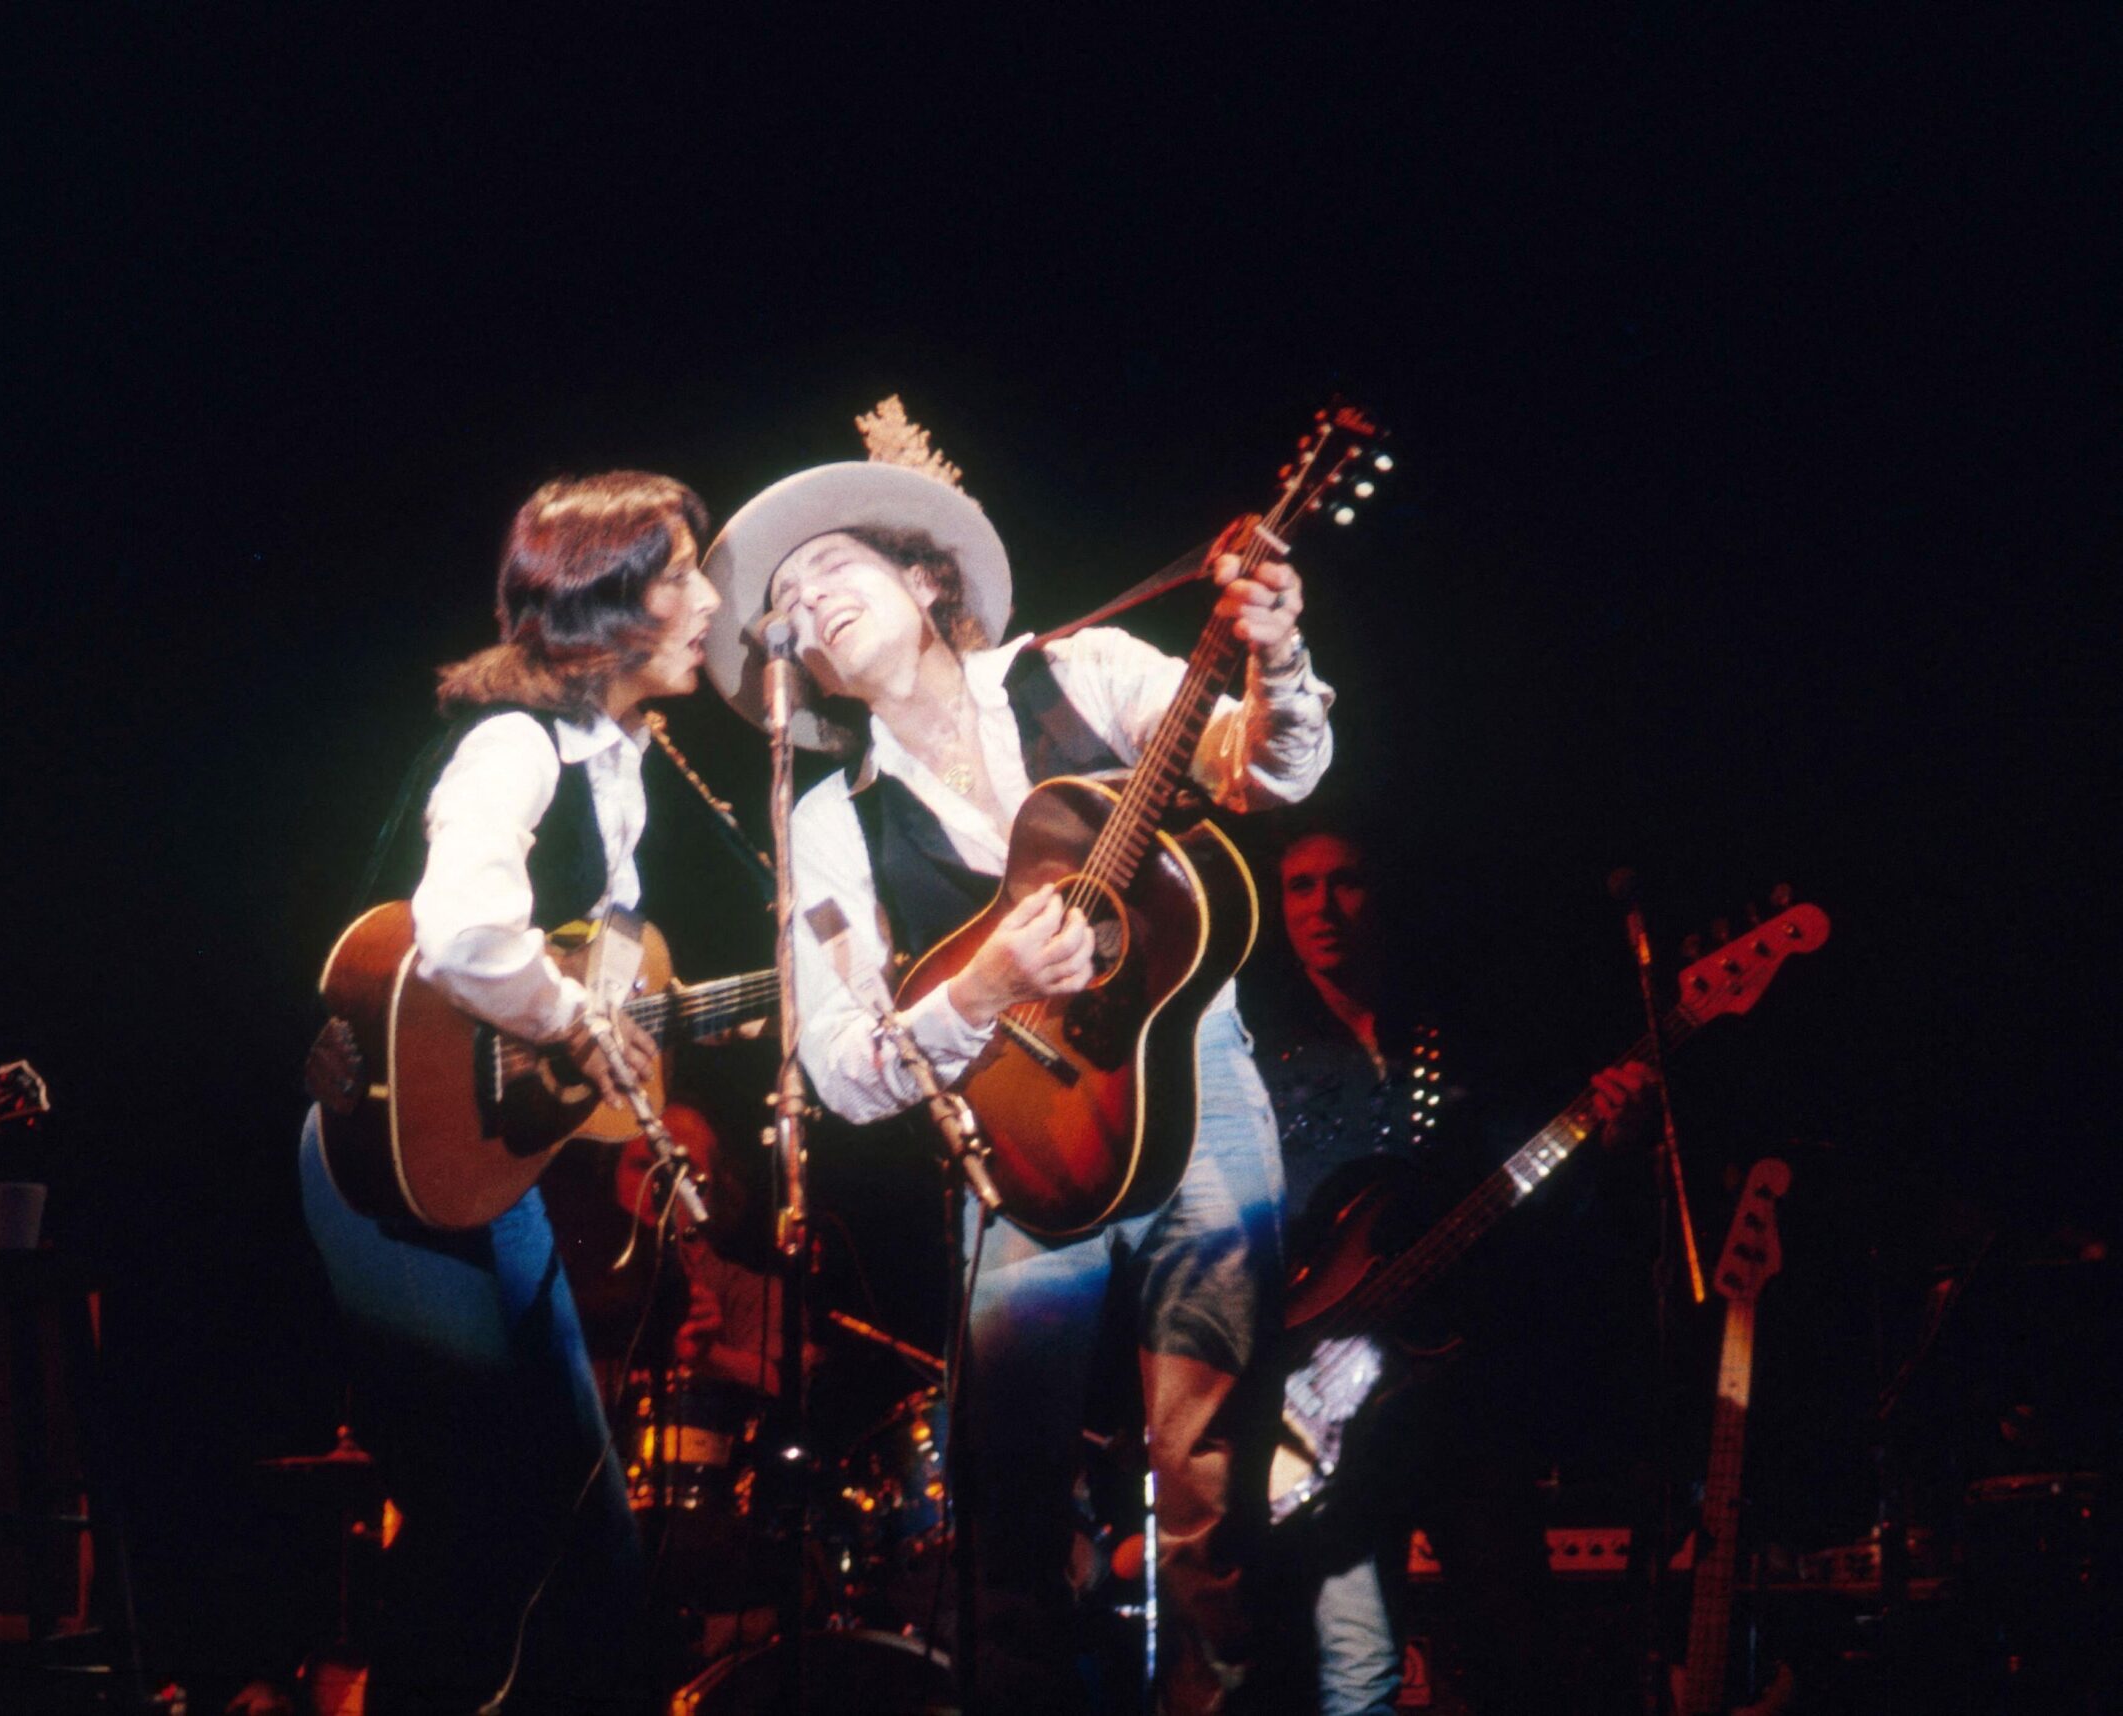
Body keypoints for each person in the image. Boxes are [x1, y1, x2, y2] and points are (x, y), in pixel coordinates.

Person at [698, 402, 1333, 1715]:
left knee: (1212, 1478)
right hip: (1022, 1159)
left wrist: (1274, 654)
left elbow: (1270, 771)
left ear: (926, 580)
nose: (808, 604)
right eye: (788, 603)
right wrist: (980, 988)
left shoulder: (1085, 673)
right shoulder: (830, 821)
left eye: (834, 569)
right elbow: (840, 1068)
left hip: (1199, 1098)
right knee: (1006, 1499)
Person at [297, 471, 723, 1715]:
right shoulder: (516, 742)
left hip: (479, 1170)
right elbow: (466, 929)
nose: (709, 600)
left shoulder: (621, 761)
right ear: (609, 603)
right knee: (489, 1525)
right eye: (683, 574)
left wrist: (611, 1036)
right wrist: (576, 1020)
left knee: (578, 1538)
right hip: (387, 1172)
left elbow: (558, 981)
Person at [1249, 825, 1650, 1713]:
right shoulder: (1257, 1059)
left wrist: (1607, 1140)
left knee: (1516, 1652)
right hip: (1319, 1406)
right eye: (1300, 887)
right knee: (1357, 1672)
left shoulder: (1454, 1037)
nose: (1322, 907)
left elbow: (1533, 1198)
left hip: (1460, 1398)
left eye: (1344, 882)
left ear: (1378, 892)